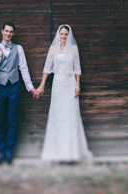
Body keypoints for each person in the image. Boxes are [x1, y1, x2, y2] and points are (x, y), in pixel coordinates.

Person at [0, 21, 38, 164]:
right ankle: (1, 152)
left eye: (11, 31)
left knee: (12, 120)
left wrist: (30, 87)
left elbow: (23, 69)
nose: (8, 33)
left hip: (14, 87)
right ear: (2, 31)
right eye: (6, 31)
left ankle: (9, 152)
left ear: (13, 33)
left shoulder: (19, 49)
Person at [36, 24, 92, 162]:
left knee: (71, 114)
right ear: (58, 35)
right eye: (61, 34)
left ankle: (72, 152)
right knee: (57, 115)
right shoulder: (53, 49)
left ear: (69, 35)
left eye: (66, 34)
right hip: (58, 83)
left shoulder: (73, 49)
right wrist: (42, 84)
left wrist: (77, 85)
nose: (63, 36)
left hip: (70, 83)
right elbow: (47, 68)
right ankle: (56, 152)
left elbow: (77, 68)